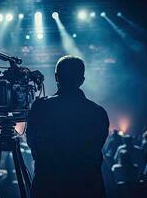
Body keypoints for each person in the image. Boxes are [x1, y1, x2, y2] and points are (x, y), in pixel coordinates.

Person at [26, 55, 109, 197]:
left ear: (56, 77)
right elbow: (97, 146)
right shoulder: (98, 112)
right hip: (87, 189)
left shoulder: (41, 107)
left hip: (48, 187)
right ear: (82, 80)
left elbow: (32, 142)